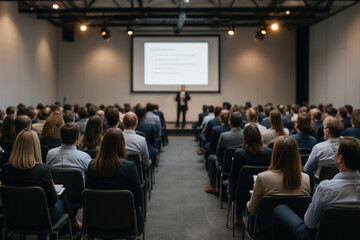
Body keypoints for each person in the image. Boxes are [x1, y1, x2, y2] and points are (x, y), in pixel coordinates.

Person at [272, 137, 360, 240]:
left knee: (280, 209)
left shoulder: (325, 188)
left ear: (340, 158)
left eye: (335, 151)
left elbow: (309, 223)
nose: (334, 154)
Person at [1, 129, 81, 231]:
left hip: (14, 217)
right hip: (42, 219)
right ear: (36, 146)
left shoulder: (6, 169)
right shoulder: (42, 170)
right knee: (62, 200)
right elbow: (52, 200)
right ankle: (74, 223)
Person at [85, 128, 144, 234]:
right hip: (126, 223)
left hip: (97, 223)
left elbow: (87, 198)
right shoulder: (129, 167)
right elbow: (139, 199)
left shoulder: (91, 166)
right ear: (122, 145)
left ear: (103, 144)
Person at [246, 136, 310, 231]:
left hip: (267, 230)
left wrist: (247, 203)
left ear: (275, 154)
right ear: (296, 154)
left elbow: (252, 210)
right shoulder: (306, 178)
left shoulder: (262, 178)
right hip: (293, 232)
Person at [228, 124, 272, 221]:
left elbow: (232, 177)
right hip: (263, 190)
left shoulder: (239, 154)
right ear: (259, 136)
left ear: (245, 138)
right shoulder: (269, 152)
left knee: (234, 184)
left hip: (241, 192)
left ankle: (238, 216)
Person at [303, 116, 343, 182]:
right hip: (342, 185)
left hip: (320, 184)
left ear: (327, 131)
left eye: (323, 128)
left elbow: (307, 170)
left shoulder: (318, 148)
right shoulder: (348, 145)